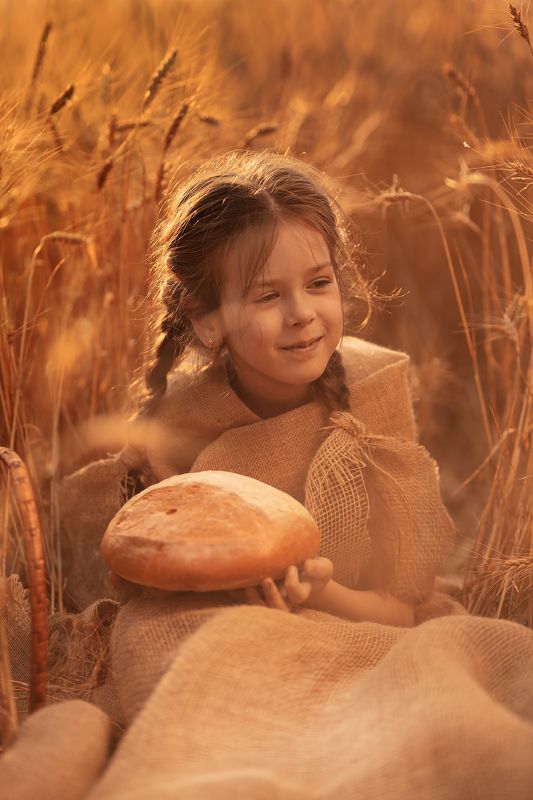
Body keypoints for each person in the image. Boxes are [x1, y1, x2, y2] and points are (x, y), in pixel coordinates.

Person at [57, 148, 457, 625]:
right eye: (268, 296)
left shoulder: (375, 391)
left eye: (318, 283)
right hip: (226, 634)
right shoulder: (179, 423)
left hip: (357, 626)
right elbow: (160, 586)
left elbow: (400, 614)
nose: (302, 313)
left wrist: (320, 594)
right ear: (207, 321)